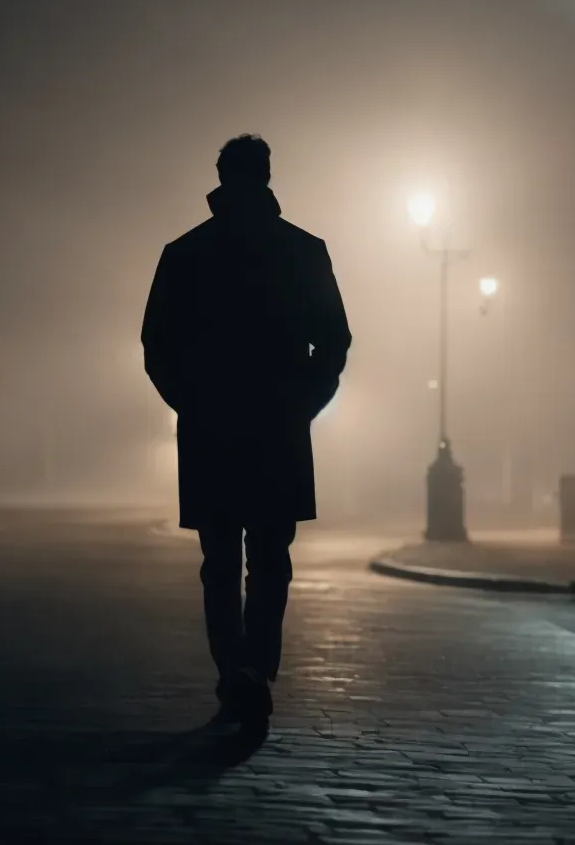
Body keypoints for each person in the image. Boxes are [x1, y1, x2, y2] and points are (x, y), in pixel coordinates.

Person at [140, 134, 351, 735]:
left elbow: (158, 346)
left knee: (219, 562)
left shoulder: (185, 253)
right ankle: (257, 667)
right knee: (270, 558)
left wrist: (192, 402)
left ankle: (233, 668)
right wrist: (304, 403)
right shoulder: (304, 252)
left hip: (211, 429)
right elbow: (334, 342)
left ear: (220, 180)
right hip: (278, 429)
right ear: (266, 177)